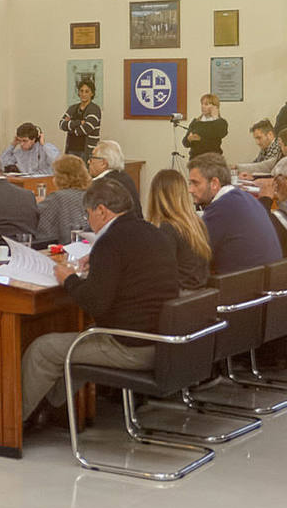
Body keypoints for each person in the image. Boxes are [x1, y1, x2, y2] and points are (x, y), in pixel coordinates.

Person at [19, 176, 182, 429]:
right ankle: (51, 409)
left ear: (102, 211)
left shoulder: (110, 241)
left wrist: (69, 279)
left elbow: (96, 303)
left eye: (89, 214)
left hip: (130, 346)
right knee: (73, 345)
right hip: (162, 341)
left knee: (42, 349)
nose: (88, 220)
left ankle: (14, 422)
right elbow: (130, 274)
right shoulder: (151, 231)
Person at [188, 154, 282, 274]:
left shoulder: (220, 209)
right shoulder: (246, 198)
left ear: (214, 183)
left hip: (242, 287)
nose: (190, 189)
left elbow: (195, 255)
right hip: (267, 283)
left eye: (195, 183)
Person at [147, 168, 211, 289]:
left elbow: (161, 276)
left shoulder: (167, 229)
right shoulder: (197, 223)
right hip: (200, 296)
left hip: (179, 299)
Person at [36, 154, 92, 244]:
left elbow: (37, 221)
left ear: (61, 177)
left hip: (62, 247)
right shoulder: (90, 195)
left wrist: (37, 203)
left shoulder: (57, 197)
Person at [87, 139, 143, 209]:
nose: (89, 161)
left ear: (103, 163)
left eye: (92, 158)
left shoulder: (102, 184)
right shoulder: (125, 177)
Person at [59, 79, 102, 162]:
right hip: (71, 149)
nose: (83, 94)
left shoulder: (94, 109)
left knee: (84, 174)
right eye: (81, 91)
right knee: (70, 174)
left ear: (92, 93)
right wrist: (79, 122)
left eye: (87, 91)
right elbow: (61, 124)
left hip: (86, 150)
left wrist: (71, 127)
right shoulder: (72, 108)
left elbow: (87, 128)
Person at [183, 94, 229, 160]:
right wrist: (189, 139)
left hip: (214, 160)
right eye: (202, 104)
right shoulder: (195, 122)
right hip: (196, 160)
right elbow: (185, 143)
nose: (203, 106)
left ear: (215, 106)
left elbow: (222, 133)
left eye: (206, 104)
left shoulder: (221, 122)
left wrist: (215, 116)